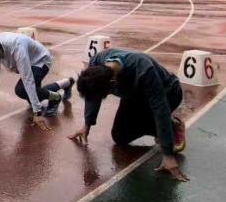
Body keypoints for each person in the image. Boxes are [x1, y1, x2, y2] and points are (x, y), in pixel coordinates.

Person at [71, 47, 188, 181]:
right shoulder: (97, 62)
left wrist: (167, 155)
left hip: (168, 92)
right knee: (119, 136)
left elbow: (160, 109)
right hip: (134, 94)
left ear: (113, 83)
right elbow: (92, 96)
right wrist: (87, 125)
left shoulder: (143, 68)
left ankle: (173, 126)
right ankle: (159, 128)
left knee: (158, 116)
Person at [0, 33, 75, 125]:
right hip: (29, 62)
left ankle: (57, 97)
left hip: (40, 61)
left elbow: (28, 80)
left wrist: (37, 113)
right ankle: (66, 83)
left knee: (21, 90)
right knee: (35, 95)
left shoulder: (17, 48)